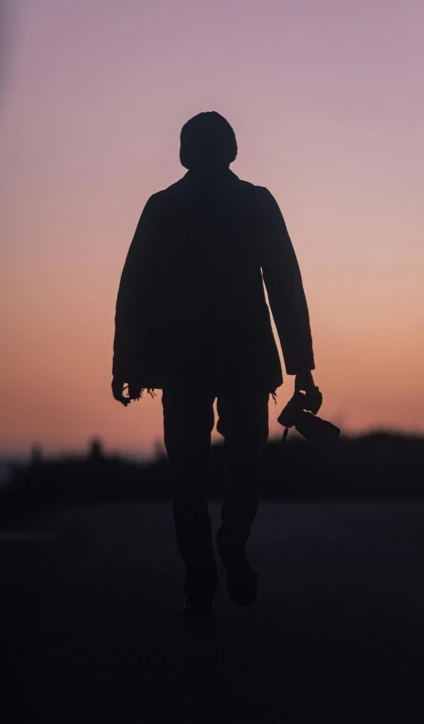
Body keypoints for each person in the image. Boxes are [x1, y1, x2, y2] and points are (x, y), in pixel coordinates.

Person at [111, 111, 318, 618]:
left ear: (184, 154)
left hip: (182, 361)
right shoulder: (255, 203)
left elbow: (134, 290)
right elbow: (285, 285)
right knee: (246, 462)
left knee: (187, 472)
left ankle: (199, 574)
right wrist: (302, 367)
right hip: (246, 356)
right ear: (232, 151)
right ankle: (232, 540)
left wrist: (126, 363)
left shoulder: (163, 207)